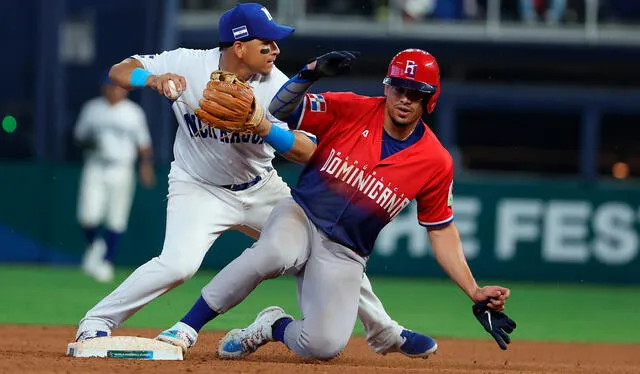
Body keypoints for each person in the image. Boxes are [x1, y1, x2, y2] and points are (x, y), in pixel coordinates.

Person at [74, 3, 436, 359]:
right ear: (239, 46)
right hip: (197, 186)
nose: (276, 50)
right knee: (178, 264)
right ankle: (97, 320)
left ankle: (383, 330)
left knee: (328, 244)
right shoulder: (189, 64)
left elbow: (309, 151)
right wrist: (151, 79)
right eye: (267, 43)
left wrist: (262, 125)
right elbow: (119, 71)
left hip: (261, 188)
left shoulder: (277, 88)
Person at [160, 48, 516, 361]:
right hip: (302, 214)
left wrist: (473, 290)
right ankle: (186, 328)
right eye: (399, 88)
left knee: (323, 345)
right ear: (387, 87)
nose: (404, 99)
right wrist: (308, 73)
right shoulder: (352, 107)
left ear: (430, 99)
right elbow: (280, 110)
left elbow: (441, 231)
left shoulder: (435, 161)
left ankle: (272, 325)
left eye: (415, 93)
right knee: (272, 254)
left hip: (346, 251)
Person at [74, 73, 155, 283]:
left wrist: (145, 166)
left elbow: (143, 143)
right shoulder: (92, 109)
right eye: (111, 86)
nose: (114, 90)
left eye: (118, 87)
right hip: (96, 165)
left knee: (116, 217)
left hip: (122, 168)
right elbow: (79, 137)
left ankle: (107, 261)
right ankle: (95, 246)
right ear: (104, 88)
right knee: (87, 216)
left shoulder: (133, 113)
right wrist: (90, 143)